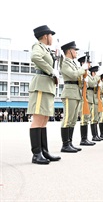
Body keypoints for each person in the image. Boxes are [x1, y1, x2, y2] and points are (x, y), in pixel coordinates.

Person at [27, 25, 61, 164]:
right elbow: (35, 57)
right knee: (38, 119)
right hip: (40, 85)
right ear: (45, 36)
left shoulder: (47, 49)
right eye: (50, 35)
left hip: (47, 86)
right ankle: (36, 154)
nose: (52, 38)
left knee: (44, 118)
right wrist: (51, 70)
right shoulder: (38, 46)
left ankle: (44, 151)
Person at [59, 41, 88, 153]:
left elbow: (78, 76)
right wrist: (82, 69)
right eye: (74, 50)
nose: (76, 52)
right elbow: (73, 75)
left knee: (73, 119)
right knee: (67, 119)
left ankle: (69, 142)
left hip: (76, 93)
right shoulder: (65, 62)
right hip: (69, 92)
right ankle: (65, 144)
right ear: (69, 51)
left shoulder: (73, 63)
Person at [77, 54, 95, 146]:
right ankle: (83, 139)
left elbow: (93, 83)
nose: (89, 65)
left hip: (88, 97)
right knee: (84, 118)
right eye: (88, 62)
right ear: (83, 63)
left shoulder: (87, 73)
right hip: (83, 96)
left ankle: (85, 138)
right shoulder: (81, 71)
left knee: (87, 117)